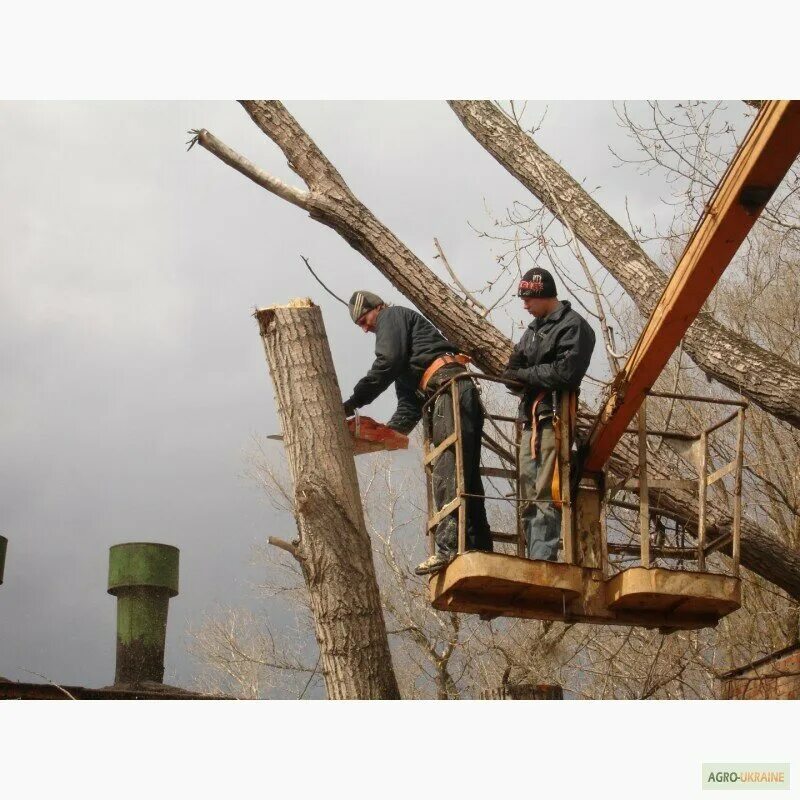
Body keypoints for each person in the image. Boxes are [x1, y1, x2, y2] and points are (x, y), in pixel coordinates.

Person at [342, 291, 492, 575]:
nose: (365, 328)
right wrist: (386, 435)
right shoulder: (407, 363)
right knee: (465, 474)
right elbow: (409, 406)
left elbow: (386, 362)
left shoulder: (392, 316)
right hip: (444, 392)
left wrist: (352, 403)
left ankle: (449, 550)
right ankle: (478, 550)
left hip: (449, 388)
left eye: (364, 320)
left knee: (448, 468)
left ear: (378, 307)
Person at [501, 268, 595, 561]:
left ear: (544, 295)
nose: (524, 305)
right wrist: (524, 375)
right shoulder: (532, 331)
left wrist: (526, 375)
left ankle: (543, 558)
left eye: (528, 298)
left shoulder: (573, 326)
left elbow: (565, 373)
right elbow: (510, 370)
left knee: (545, 490)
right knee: (528, 490)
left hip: (553, 417)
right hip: (529, 419)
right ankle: (534, 556)